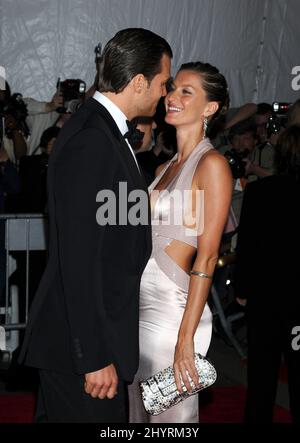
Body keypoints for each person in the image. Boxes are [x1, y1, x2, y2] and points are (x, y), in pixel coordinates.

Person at [18, 28, 172, 423]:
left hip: (86, 338)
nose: (164, 93)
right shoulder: (93, 138)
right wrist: (93, 354)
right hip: (82, 347)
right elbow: (80, 257)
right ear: (139, 82)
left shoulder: (102, 130)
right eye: (162, 83)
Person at [128, 61, 232, 423]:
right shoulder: (163, 168)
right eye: (172, 88)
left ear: (210, 108)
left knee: (171, 421)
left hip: (174, 315)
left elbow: (207, 257)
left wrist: (185, 340)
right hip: (141, 309)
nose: (172, 96)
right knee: (138, 417)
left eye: (186, 91)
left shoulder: (212, 165)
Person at [234, 124, 300, 423]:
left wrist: (242, 290)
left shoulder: (260, 192)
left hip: (265, 300)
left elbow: (246, 246)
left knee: (261, 379)